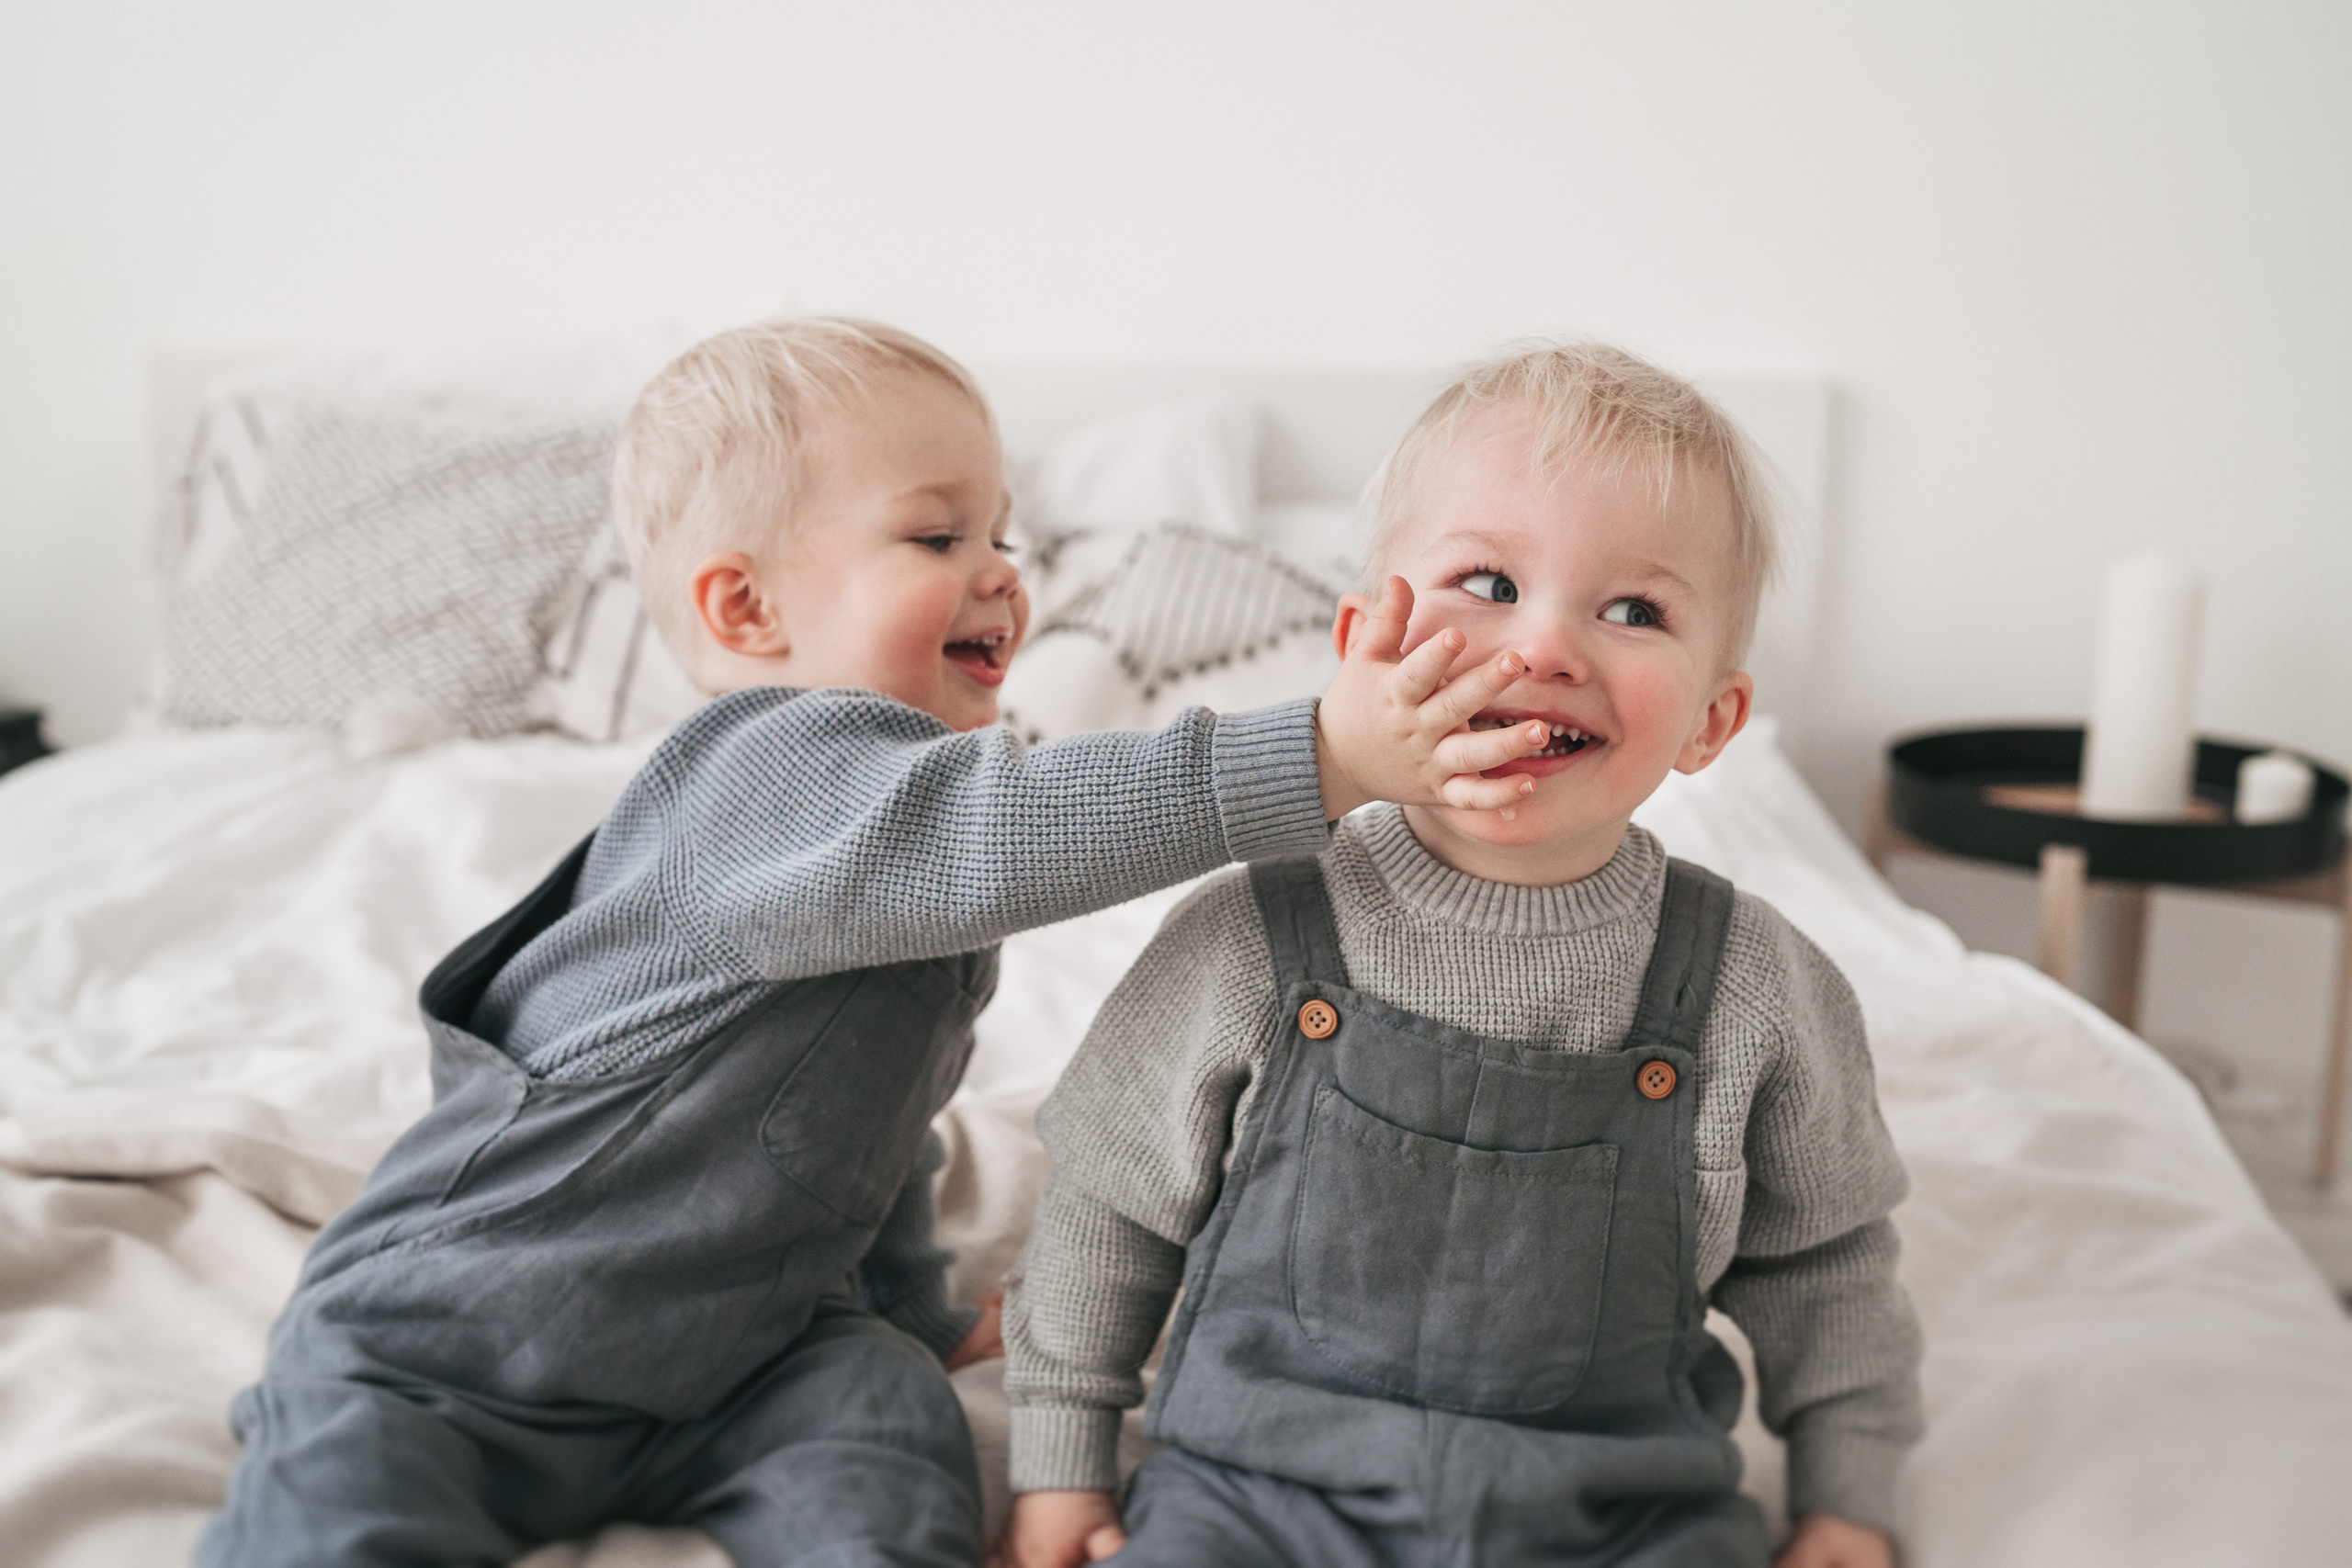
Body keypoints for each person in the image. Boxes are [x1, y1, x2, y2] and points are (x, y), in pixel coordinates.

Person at [196, 317, 1555, 1568]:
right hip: (464, 1332)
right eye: (937, 537)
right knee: (342, 1508)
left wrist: (911, 1310)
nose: (1002, 576)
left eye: (1004, 538)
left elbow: (858, 1129)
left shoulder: (901, 858)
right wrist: (1320, 753)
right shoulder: (766, 773)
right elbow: (1018, 822)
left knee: (881, 1424)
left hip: (737, 1356)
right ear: (747, 611)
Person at [998, 342, 1924, 1568]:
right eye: (1488, 582)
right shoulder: (1249, 939)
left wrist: (1848, 1497)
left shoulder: (1754, 989)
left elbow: (1829, 1267)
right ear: (1365, 646)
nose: (1543, 649)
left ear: (1713, 721)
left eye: (1634, 611)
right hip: (1260, 1497)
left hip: (1617, 1511)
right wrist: (1060, 1462)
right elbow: (1106, 1212)